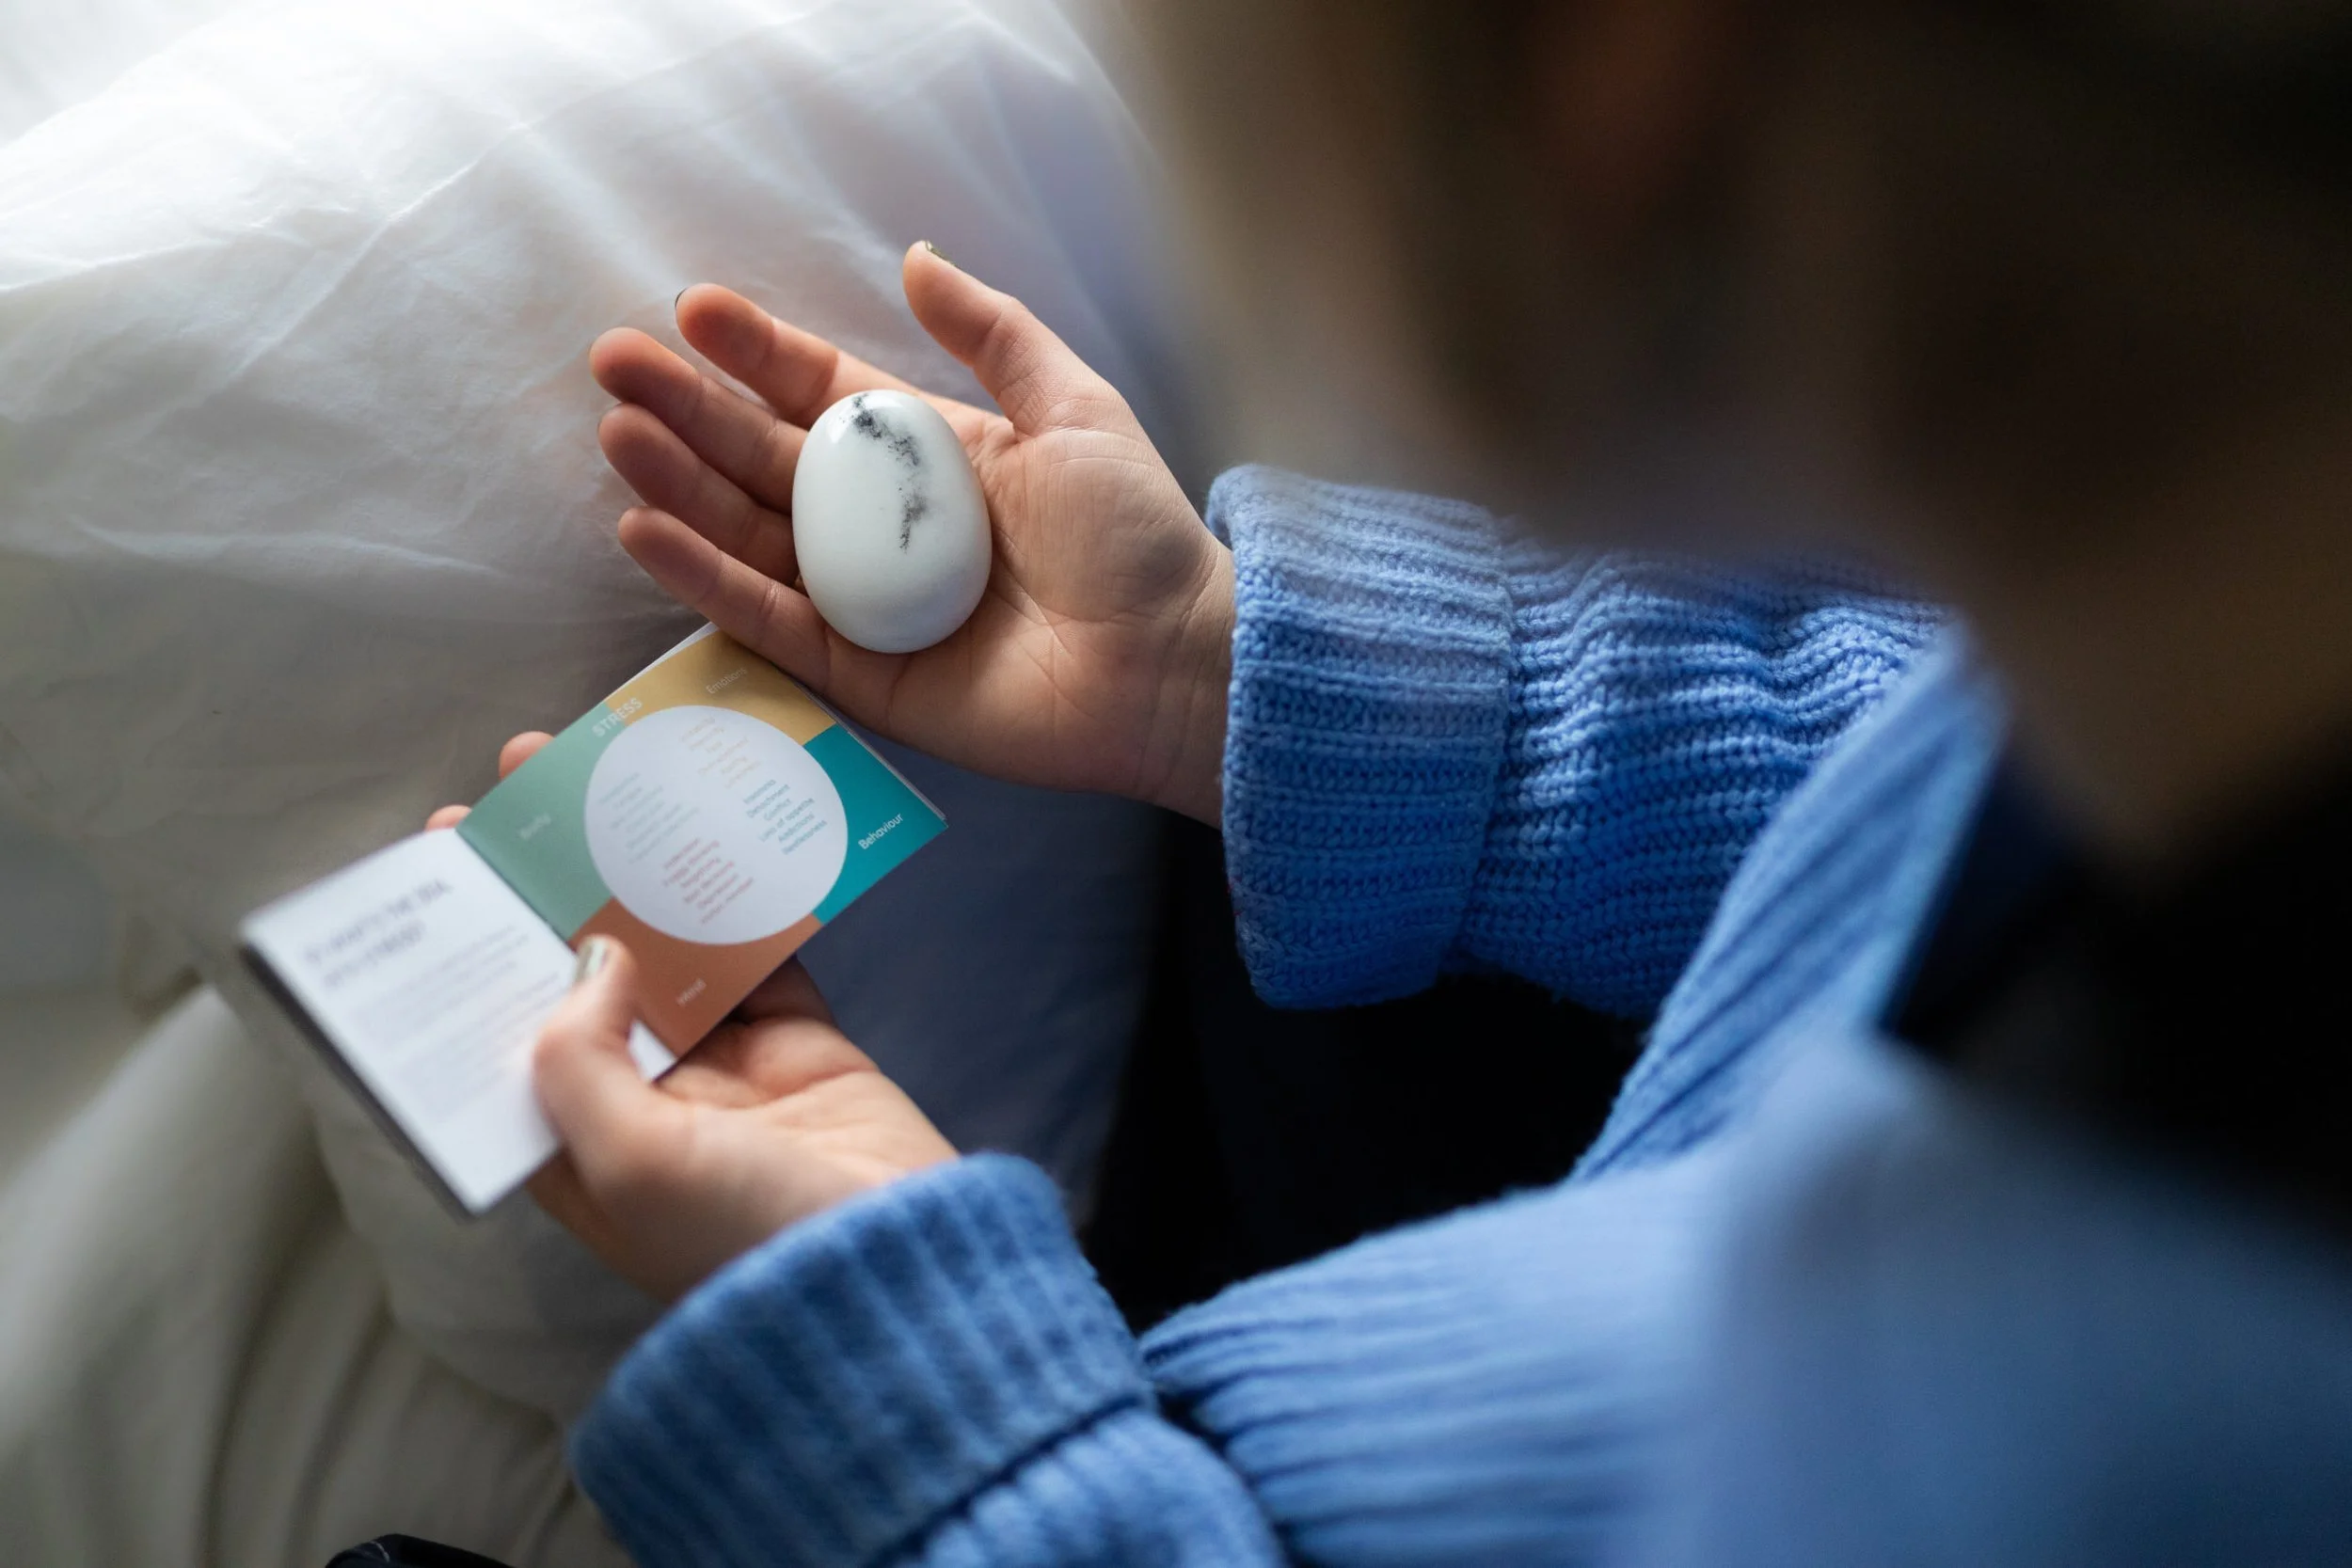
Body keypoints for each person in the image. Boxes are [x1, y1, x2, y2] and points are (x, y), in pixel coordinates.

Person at [487, 1, 2352, 1561]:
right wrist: (1253, 681)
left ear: (1608, 74)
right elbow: (1915, 769)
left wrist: (938, 1431)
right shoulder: (2199, 644)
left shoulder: (2080, 1467)